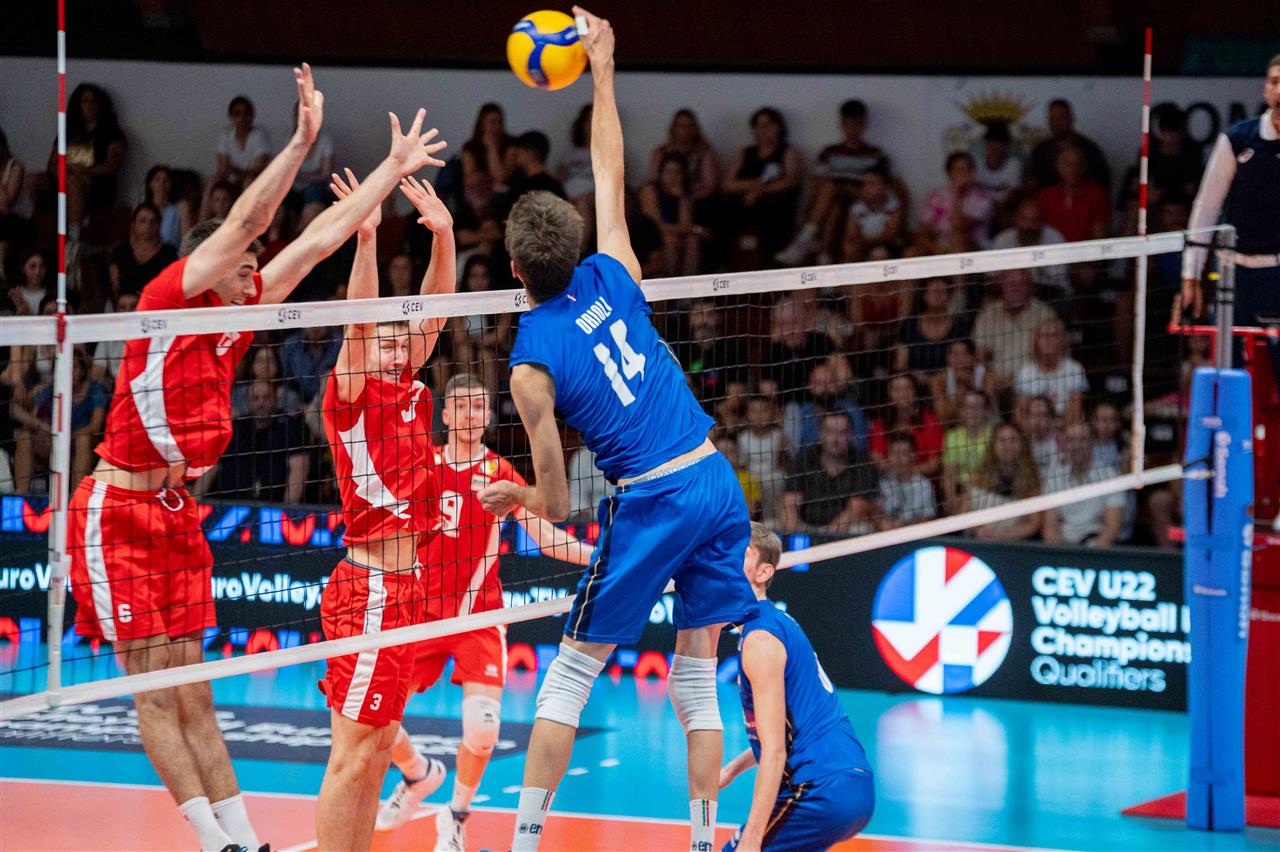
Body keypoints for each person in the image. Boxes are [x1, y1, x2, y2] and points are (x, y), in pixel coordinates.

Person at [63, 66, 445, 852]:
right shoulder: (170, 299)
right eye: (245, 267)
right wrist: (301, 141)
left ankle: (245, 839)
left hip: (174, 513)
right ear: (210, 266)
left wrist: (389, 170)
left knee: (194, 691)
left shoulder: (238, 317)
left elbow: (319, 238)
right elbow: (248, 218)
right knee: (155, 692)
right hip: (115, 507)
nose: (256, 276)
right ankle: (216, 842)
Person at [477, 12, 759, 851]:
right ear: (573, 247)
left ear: (516, 269)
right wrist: (602, 68)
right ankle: (704, 841)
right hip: (714, 479)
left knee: (569, 674)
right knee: (697, 675)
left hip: (654, 501)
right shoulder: (615, 271)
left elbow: (557, 503)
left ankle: (523, 843)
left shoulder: (530, 364)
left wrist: (514, 496)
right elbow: (609, 166)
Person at [374, 374, 594, 848]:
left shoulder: (500, 473)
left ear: (488, 416)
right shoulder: (423, 465)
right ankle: (417, 774)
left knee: (482, 732)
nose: (470, 415)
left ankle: (454, 816)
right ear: (446, 414)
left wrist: (599, 558)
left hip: (478, 617)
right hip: (418, 615)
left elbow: (546, 537)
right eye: (461, 406)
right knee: (377, 722)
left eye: (478, 407)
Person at [315, 165, 454, 852]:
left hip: (407, 589)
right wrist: (367, 239)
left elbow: (435, 311)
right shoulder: (350, 393)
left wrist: (444, 237)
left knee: (374, 755)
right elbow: (360, 321)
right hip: (369, 589)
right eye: (388, 339)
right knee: (351, 759)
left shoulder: (410, 391)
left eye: (405, 338)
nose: (400, 345)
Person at [719, 523, 875, 850]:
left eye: (741, 552)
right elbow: (785, 732)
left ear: (763, 573)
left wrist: (752, 838)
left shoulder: (761, 639)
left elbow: (775, 750)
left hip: (820, 788)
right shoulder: (774, 623)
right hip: (852, 785)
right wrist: (733, 769)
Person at [1179, 56, 1280, 327]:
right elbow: (1206, 208)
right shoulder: (1237, 138)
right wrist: (1190, 276)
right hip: (1233, 273)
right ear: (1265, 89)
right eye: (1274, 82)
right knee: (1229, 352)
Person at [776, 99, 892, 265]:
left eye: (856, 124)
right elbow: (819, 181)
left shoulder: (876, 154)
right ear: (841, 124)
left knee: (833, 190)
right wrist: (838, 188)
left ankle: (804, 240)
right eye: (848, 124)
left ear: (864, 124)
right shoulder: (829, 152)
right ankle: (823, 257)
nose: (852, 129)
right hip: (832, 198)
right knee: (833, 202)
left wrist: (847, 188)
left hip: (860, 198)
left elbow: (880, 187)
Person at [722, 107, 801, 263]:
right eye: (759, 126)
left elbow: (790, 180)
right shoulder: (746, 152)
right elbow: (727, 184)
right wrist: (751, 186)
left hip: (773, 202)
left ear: (778, 127)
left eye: (768, 125)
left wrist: (761, 191)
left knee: (772, 211)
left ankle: (769, 262)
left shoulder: (787, 151)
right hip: (743, 201)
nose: (764, 130)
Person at [782, 411, 878, 534]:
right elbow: (790, 503)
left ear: (851, 435)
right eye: (830, 432)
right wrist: (794, 535)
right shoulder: (804, 458)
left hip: (844, 531)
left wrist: (826, 538)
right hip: (805, 529)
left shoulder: (863, 462)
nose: (835, 439)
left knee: (863, 528)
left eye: (842, 432)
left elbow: (857, 507)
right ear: (821, 433)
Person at [1042, 422, 1126, 547]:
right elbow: (1050, 527)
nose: (1076, 446)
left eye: (1082, 440)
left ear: (1092, 443)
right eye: (1071, 440)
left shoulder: (1110, 477)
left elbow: (1112, 527)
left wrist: (1092, 554)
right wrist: (1058, 553)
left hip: (1097, 546)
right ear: (1065, 445)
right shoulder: (1053, 478)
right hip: (1062, 546)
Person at [963, 422, 1043, 541]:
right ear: (993, 445)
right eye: (1002, 440)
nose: (1007, 445)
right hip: (979, 539)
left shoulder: (1031, 479)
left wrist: (1001, 535)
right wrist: (981, 531)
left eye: (1013, 440)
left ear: (1022, 445)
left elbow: (1033, 524)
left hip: (1013, 543)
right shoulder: (979, 475)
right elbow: (964, 513)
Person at [642, 152, 707, 276]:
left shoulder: (685, 192)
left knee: (693, 241)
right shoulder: (650, 190)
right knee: (670, 240)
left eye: (678, 172)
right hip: (653, 234)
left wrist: (681, 198)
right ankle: (669, 282)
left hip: (676, 233)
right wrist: (696, 229)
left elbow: (685, 223)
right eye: (669, 172)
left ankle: (689, 285)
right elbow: (654, 225)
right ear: (661, 174)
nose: (673, 177)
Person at [1013, 316, 1087, 422]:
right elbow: (1020, 414)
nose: (1048, 340)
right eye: (1044, 336)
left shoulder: (1075, 369)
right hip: (1033, 428)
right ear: (1036, 341)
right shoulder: (1026, 372)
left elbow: (1075, 412)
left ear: (1061, 340)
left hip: (1064, 427)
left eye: (1053, 336)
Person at [1028, 98, 1110, 192]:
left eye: (1061, 118)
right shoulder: (1039, 151)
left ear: (1071, 118)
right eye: (1052, 118)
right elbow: (1033, 184)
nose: (1056, 123)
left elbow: (1102, 185)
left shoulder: (1090, 150)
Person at [919, 151, 994, 253]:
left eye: (968, 169)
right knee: (913, 250)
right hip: (941, 244)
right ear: (949, 173)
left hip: (972, 244)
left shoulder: (982, 198)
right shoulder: (937, 195)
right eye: (959, 170)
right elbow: (923, 229)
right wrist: (935, 249)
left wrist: (956, 194)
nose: (965, 174)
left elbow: (958, 226)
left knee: (957, 238)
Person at [1036, 146, 1109, 243]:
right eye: (1068, 164)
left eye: (1078, 164)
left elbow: (1099, 234)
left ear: (1084, 166)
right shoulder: (1046, 195)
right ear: (1057, 166)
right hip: (1053, 249)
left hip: (1085, 250)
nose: (1073, 169)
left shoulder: (1096, 194)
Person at [108, 202, 178, 297]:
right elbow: (115, 287)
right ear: (134, 224)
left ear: (159, 225)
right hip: (125, 303)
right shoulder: (120, 251)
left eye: (153, 221)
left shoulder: (169, 253)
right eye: (142, 221)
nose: (148, 226)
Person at [877, 436, 938, 528]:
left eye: (904, 453)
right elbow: (875, 514)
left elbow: (928, 519)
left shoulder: (924, 486)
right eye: (894, 453)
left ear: (913, 456)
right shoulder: (882, 483)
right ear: (888, 456)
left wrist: (903, 526)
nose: (898, 459)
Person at [215, 95, 272, 186]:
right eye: (237, 114)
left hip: (256, 181)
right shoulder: (225, 135)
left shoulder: (259, 134)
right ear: (231, 116)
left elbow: (256, 170)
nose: (242, 118)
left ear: (252, 116)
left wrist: (236, 170)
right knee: (212, 181)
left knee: (248, 181)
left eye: (246, 113)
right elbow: (223, 169)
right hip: (231, 181)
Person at [143, 165, 196, 250]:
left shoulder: (181, 206)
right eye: (157, 179)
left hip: (172, 254)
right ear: (150, 184)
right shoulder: (142, 208)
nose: (162, 184)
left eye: (166, 180)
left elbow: (187, 240)